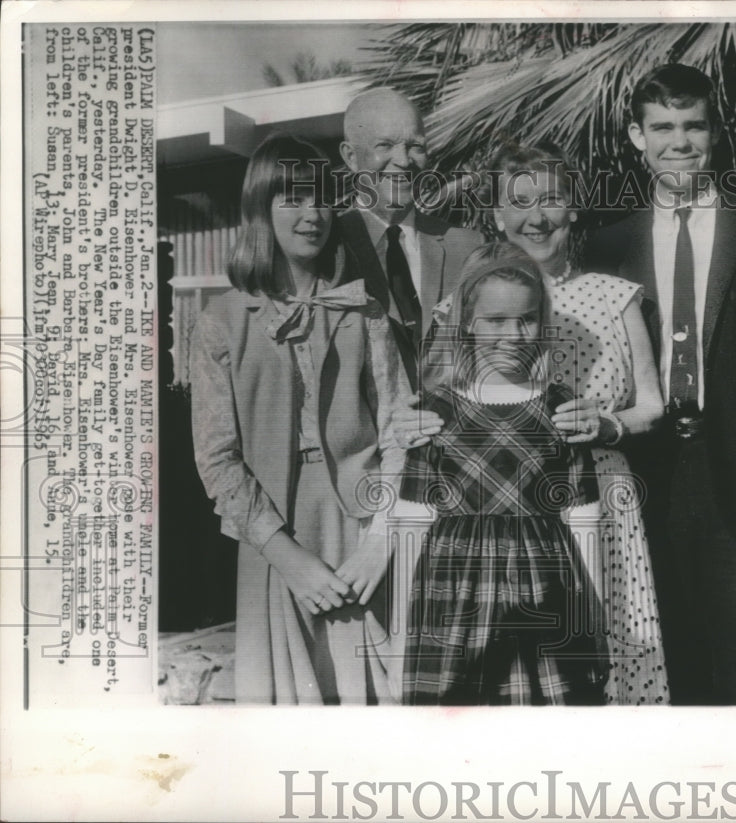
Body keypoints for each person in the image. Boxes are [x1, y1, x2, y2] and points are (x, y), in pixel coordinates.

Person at [585, 63, 736, 705]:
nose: (680, 142)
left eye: (693, 126)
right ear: (635, 136)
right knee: (665, 655)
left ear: (714, 133)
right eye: (663, 127)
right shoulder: (607, 244)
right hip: (643, 473)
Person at [190, 133, 409, 704]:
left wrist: (382, 538)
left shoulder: (364, 311)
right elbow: (218, 460)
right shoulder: (221, 321)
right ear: (259, 209)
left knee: (381, 701)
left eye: (323, 199)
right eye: (292, 199)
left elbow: (399, 432)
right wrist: (289, 558)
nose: (313, 215)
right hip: (274, 540)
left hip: (364, 529)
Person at [393, 243, 609, 705]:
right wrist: (398, 641)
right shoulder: (435, 411)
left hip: (544, 598)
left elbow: (584, 519)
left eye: (526, 319)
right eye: (494, 321)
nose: (512, 335)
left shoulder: (560, 407)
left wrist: (594, 618)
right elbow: (410, 523)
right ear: (467, 323)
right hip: (452, 603)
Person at [338, 87, 482, 388]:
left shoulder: (468, 247)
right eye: (385, 145)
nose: (403, 161)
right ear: (351, 157)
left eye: (415, 145)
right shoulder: (329, 246)